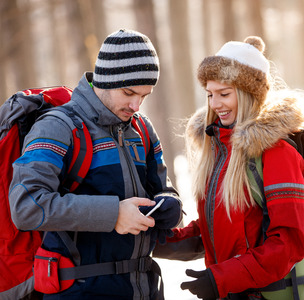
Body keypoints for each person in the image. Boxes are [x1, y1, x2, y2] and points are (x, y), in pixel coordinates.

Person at [9, 29, 182, 300]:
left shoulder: (143, 129)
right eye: (128, 92)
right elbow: (26, 206)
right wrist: (113, 214)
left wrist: (170, 205)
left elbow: (163, 188)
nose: (136, 105)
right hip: (78, 290)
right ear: (105, 79)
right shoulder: (57, 126)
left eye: (144, 96)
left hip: (144, 288)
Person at [174, 36, 304, 299]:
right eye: (210, 94)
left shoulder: (278, 154)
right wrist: (159, 239)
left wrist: (221, 279)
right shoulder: (220, 149)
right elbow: (218, 229)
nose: (214, 104)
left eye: (224, 94)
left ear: (249, 94)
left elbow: (288, 244)